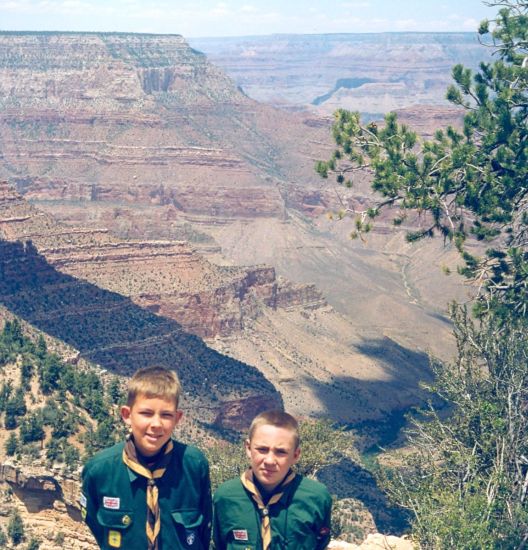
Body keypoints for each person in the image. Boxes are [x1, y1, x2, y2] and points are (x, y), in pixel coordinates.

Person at [81, 366, 211, 550]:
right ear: (127, 415)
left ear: (177, 418)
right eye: (146, 413)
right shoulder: (100, 470)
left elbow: (204, 530)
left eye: (166, 415)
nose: (156, 424)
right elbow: (96, 525)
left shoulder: (193, 465)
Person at [213, 410, 332, 550]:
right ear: (248, 448)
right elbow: (220, 543)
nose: (269, 460)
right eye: (262, 449)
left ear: (295, 455)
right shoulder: (226, 497)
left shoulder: (316, 497)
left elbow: (320, 543)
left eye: (281, 452)